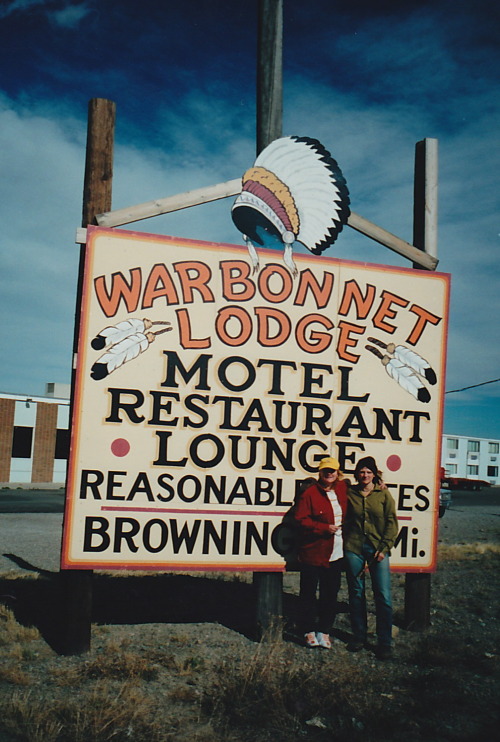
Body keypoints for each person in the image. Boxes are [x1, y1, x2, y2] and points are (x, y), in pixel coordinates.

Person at [344, 456, 399, 659]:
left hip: (378, 549)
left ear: (375, 474)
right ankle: (359, 636)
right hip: (354, 548)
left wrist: (384, 548)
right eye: (361, 471)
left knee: (383, 595)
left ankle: (385, 641)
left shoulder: (384, 494)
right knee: (356, 593)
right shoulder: (350, 493)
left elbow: (392, 523)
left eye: (368, 471)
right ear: (357, 474)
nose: (365, 475)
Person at [294, 456, 348, 649]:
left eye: (332, 470)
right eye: (326, 470)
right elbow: (300, 520)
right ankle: (308, 631)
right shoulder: (309, 493)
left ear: (337, 472)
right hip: (312, 552)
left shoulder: (342, 488)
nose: (329, 474)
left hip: (336, 552)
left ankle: (324, 630)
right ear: (320, 472)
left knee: (330, 594)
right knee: (308, 593)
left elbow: (364, 486)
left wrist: (380, 485)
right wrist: (323, 528)